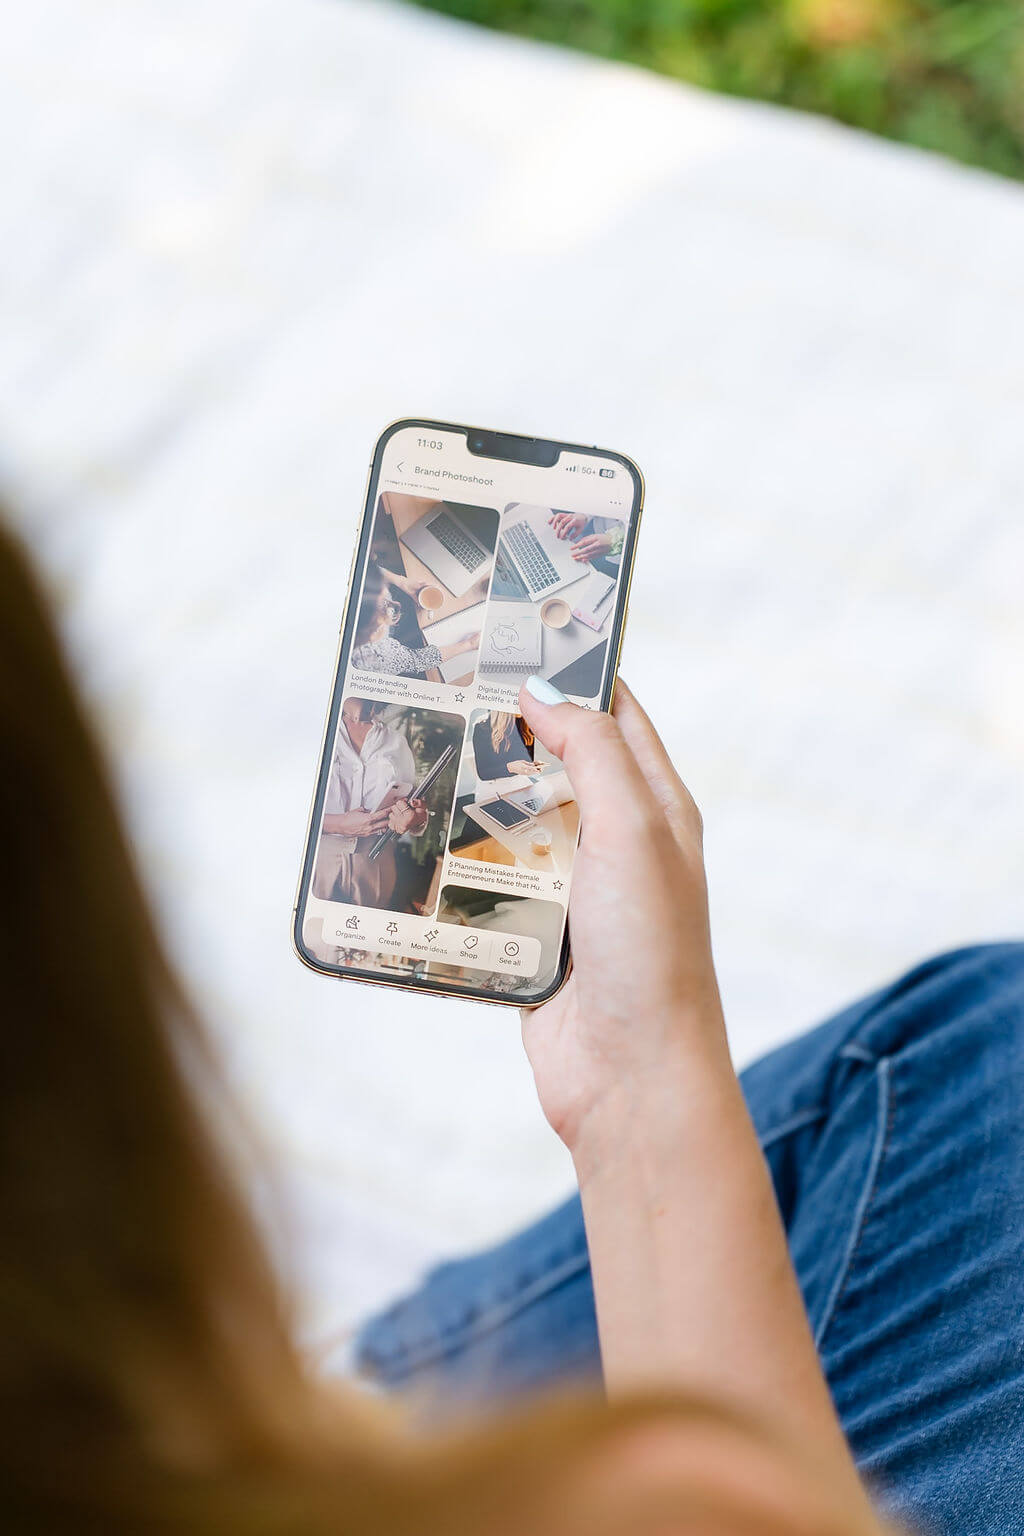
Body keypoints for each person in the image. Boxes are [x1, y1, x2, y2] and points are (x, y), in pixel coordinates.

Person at [0, 518, 1014, 1535]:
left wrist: (629, 1082)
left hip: (208, 1431)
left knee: (969, 1050)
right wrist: (638, 1083)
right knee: (979, 1062)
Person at [312, 699, 429, 910]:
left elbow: (405, 806)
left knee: (367, 928)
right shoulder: (316, 728)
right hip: (318, 859)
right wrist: (337, 824)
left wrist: (415, 819)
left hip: (376, 860)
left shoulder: (396, 742)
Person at [351, 564, 479, 679]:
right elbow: (416, 660)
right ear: (370, 634)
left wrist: (401, 581)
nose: (395, 604)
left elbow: (367, 568)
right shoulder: (370, 658)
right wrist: (469, 644)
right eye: (382, 607)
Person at [471, 711, 547, 782]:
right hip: (495, 787)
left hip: (521, 783)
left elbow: (523, 758)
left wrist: (531, 765)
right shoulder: (482, 728)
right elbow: (483, 773)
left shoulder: (523, 722)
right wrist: (510, 768)